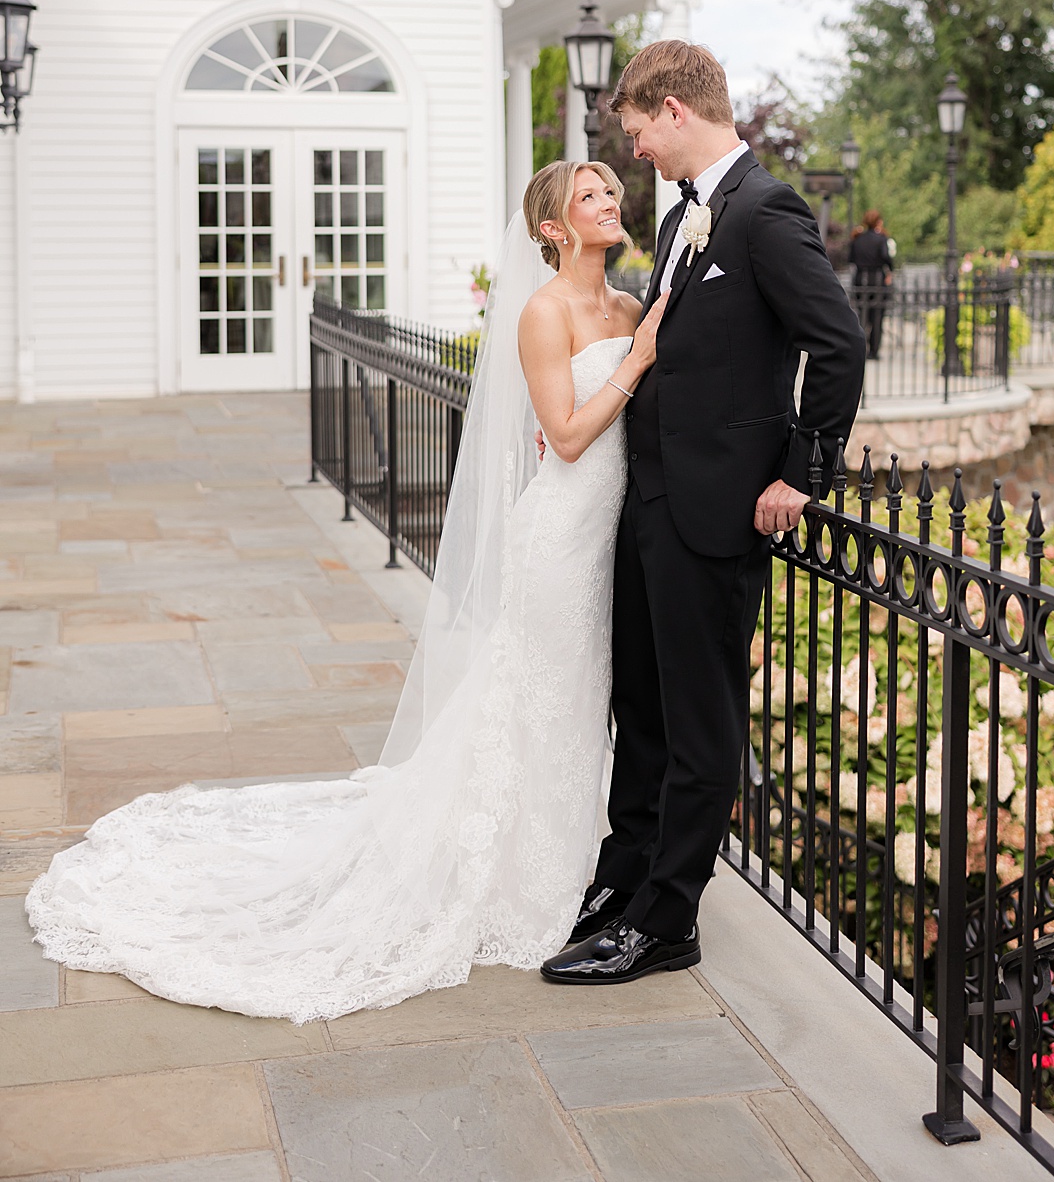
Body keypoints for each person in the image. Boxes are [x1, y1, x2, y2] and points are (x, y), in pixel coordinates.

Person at [25, 162, 666, 1020]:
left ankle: (566, 863)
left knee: (584, 699)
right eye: (590, 197)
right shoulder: (543, 314)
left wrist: (650, 347)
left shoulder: (627, 309)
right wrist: (639, 365)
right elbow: (567, 434)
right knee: (542, 697)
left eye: (611, 192)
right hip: (557, 537)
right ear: (552, 229)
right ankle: (526, 879)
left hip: (608, 537)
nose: (610, 203)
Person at [542, 39, 866, 985]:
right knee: (638, 710)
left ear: (675, 112)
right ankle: (623, 880)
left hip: (718, 510)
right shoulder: (691, 214)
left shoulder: (767, 212)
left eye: (638, 129)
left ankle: (668, 919)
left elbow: (837, 345)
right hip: (647, 501)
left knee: (699, 721)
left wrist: (801, 474)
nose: (635, 150)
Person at [849, 209, 895, 360]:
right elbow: (886, 257)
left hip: (861, 278)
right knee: (877, 315)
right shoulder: (881, 239)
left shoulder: (857, 238)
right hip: (876, 279)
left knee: (862, 315)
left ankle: (861, 346)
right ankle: (874, 350)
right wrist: (890, 271)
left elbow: (851, 258)